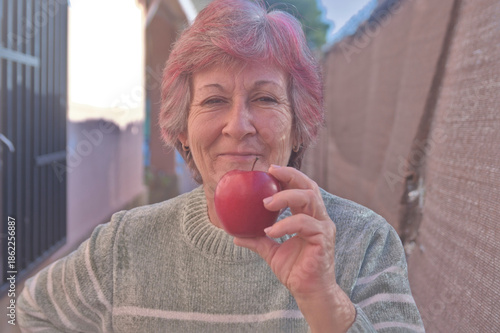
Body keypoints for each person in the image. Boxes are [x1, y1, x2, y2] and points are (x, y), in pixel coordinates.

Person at [18, 0, 425, 332]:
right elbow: (23, 312)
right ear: (182, 131)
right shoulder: (122, 246)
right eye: (213, 101)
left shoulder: (366, 244)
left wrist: (326, 302)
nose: (238, 126)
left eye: (265, 99)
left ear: (299, 128)